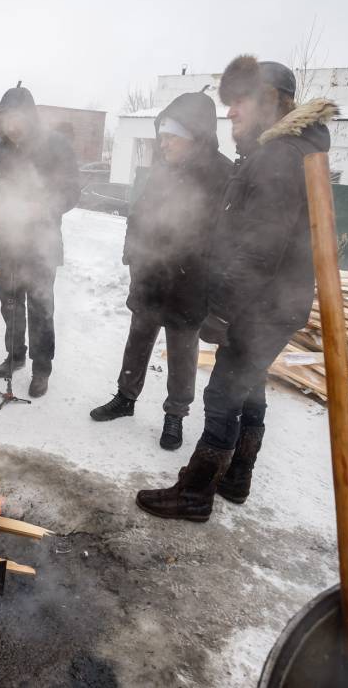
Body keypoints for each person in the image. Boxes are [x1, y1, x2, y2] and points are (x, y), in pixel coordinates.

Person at [136, 56, 337, 522]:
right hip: (274, 301)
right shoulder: (289, 149)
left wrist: (222, 311)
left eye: (239, 101)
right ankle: (237, 476)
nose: (230, 112)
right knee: (248, 386)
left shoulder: (278, 157)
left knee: (223, 394)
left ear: (270, 101)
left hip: (260, 303)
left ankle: (195, 493)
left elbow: (259, 248)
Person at [90, 92, 232, 449]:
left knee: (182, 350)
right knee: (138, 338)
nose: (163, 142)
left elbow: (225, 236)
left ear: (195, 135)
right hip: (151, 272)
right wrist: (132, 254)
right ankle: (125, 397)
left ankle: (175, 416)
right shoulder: (161, 171)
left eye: (171, 136)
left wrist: (207, 277)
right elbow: (139, 214)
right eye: (162, 135)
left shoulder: (223, 174)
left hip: (191, 282)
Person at [0, 83, 79, 398]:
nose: (11, 125)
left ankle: (42, 368)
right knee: (10, 304)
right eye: (5, 118)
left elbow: (71, 192)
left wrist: (42, 206)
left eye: (17, 117)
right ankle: (15, 355)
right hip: (7, 239)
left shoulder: (56, 146)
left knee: (40, 307)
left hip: (40, 243)